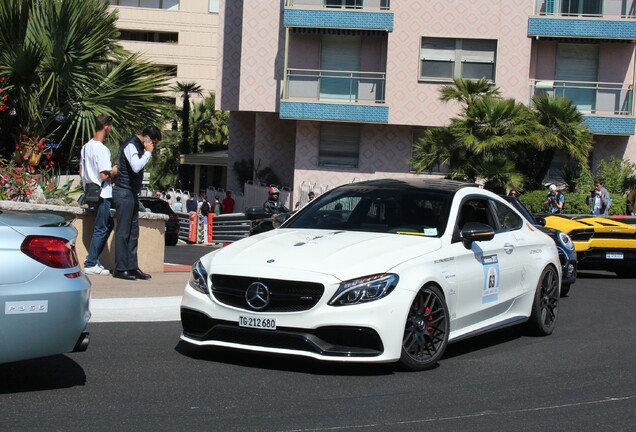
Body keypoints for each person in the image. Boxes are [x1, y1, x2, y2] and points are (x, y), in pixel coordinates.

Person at [111, 126, 161, 281]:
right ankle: (120, 268)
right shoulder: (131, 145)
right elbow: (136, 166)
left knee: (133, 232)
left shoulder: (139, 146)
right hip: (123, 192)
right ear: (146, 138)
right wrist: (148, 153)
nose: (153, 146)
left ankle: (132, 267)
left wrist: (147, 151)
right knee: (123, 231)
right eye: (153, 142)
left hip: (132, 193)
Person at [80, 114, 116, 276]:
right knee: (102, 227)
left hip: (90, 191)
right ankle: (91, 262)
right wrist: (114, 171)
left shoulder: (86, 147)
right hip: (103, 193)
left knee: (107, 224)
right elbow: (104, 175)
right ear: (106, 126)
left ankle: (94, 259)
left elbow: (81, 171)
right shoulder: (102, 149)